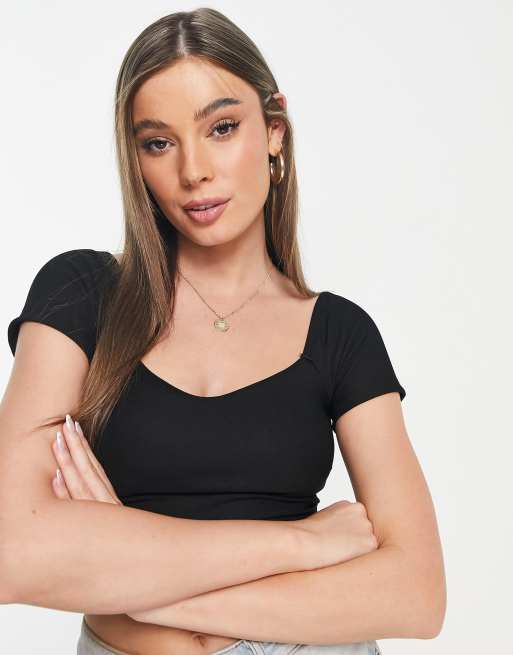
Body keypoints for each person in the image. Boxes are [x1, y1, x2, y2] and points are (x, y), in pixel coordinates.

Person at [1, 7, 445, 655]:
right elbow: (11, 551)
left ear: (274, 131)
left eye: (222, 128)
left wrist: (135, 582)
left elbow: (416, 594)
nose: (194, 170)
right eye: (158, 142)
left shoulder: (338, 333)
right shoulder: (82, 294)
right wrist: (298, 543)